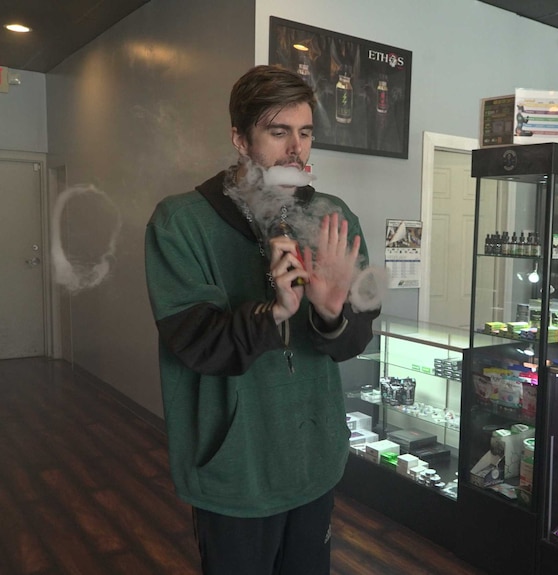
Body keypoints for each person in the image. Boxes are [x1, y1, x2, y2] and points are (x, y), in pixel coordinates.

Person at [144, 64, 380, 575]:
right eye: (278, 132)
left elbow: (352, 341)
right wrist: (273, 311)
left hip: (314, 458)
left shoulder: (332, 218)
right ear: (240, 138)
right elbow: (195, 342)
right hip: (235, 469)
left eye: (305, 133)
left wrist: (332, 311)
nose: (295, 148)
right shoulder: (181, 221)